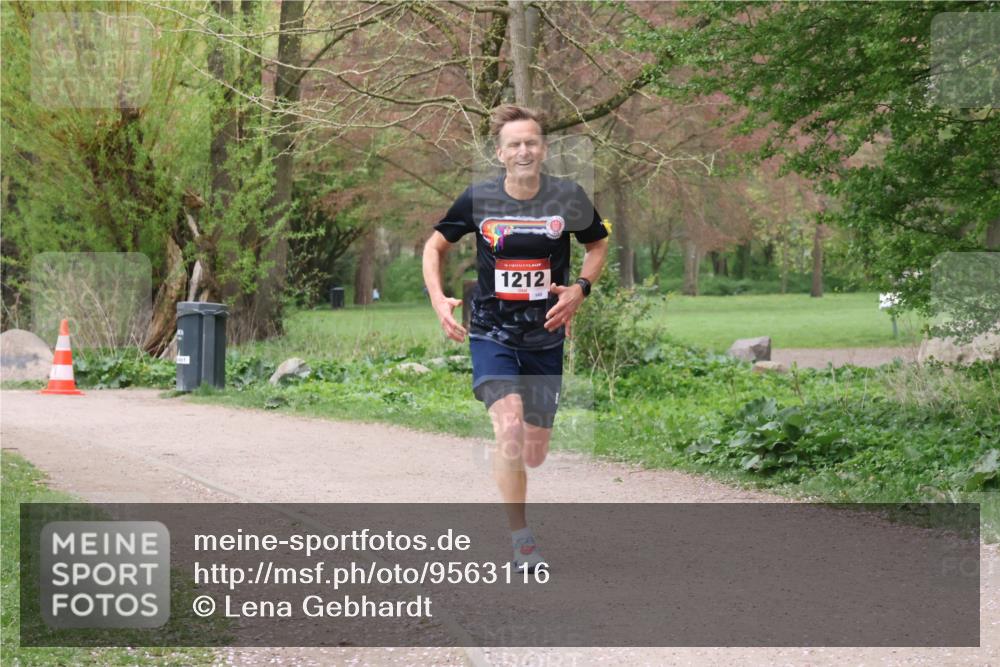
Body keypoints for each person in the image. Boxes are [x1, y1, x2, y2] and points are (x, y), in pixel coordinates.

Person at [422, 104, 609, 572]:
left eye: (531, 142)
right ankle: (521, 540)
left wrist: (580, 289)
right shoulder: (478, 199)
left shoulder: (568, 197)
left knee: (534, 450)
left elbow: (597, 244)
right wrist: (438, 298)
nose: (523, 150)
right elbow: (434, 246)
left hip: (545, 335)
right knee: (508, 428)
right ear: (500, 153)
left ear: (543, 149)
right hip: (492, 331)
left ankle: (522, 464)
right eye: (514, 144)